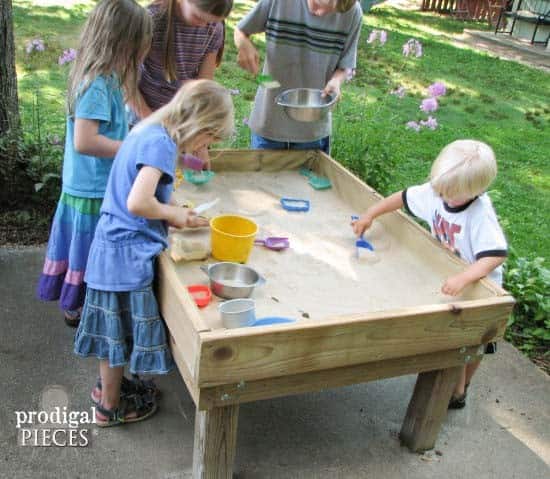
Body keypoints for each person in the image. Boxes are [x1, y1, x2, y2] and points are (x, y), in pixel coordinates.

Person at [74, 80, 234, 426]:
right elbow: (138, 202)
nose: (206, 148)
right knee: (116, 335)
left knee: (113, 330)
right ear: (200, 126)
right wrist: (173, 215)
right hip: (124, 253)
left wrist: (178, 210)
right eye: (210, 139)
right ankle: (110, 408)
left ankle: (107, 390)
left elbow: (150, 191)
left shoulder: (147, 131)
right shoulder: (161, 144)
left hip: (112, 245)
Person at [352, 139, 508, 409]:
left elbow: (495, 255)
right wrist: (370, 214)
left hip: (480, 285)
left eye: (453, 194)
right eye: (441, 189)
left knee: (476, 342)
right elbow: (402, 197)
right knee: (452, 335)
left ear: (477, 191)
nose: (444, 197)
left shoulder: (479, 214)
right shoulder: (438, 190)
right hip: (451, 275)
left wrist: (464, 278)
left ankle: (462, 388)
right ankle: (454, 385)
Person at [37, 0, 153, 327]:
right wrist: (130, 148)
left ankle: (85, 304)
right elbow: (85, 141)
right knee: (89, 252)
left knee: (88, 251)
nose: (142, 54)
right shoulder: (97, 84)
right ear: (121, 44)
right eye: (138, 48)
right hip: (90, 189)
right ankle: (82, 307)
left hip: (96, 184)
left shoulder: (109, 78)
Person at [234, 0, 362, 153]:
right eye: (318, 4)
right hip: (269, 123)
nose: (320, 14)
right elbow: (240, 31)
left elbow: (346, 66)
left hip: (312, 132)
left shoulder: (352, 11)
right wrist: (243, 44)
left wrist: (336, 80)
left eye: (330, 11)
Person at [129, 0, 234, 165]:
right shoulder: (150, 21)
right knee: (146, 171)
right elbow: (127, 82)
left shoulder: (214, 28)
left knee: (174, 177)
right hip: (143, 118)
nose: (204, 25)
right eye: (199, 17)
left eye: (211, 22)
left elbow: (203, 90)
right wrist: (153, 123)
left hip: (184, 125)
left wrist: (200, 145)